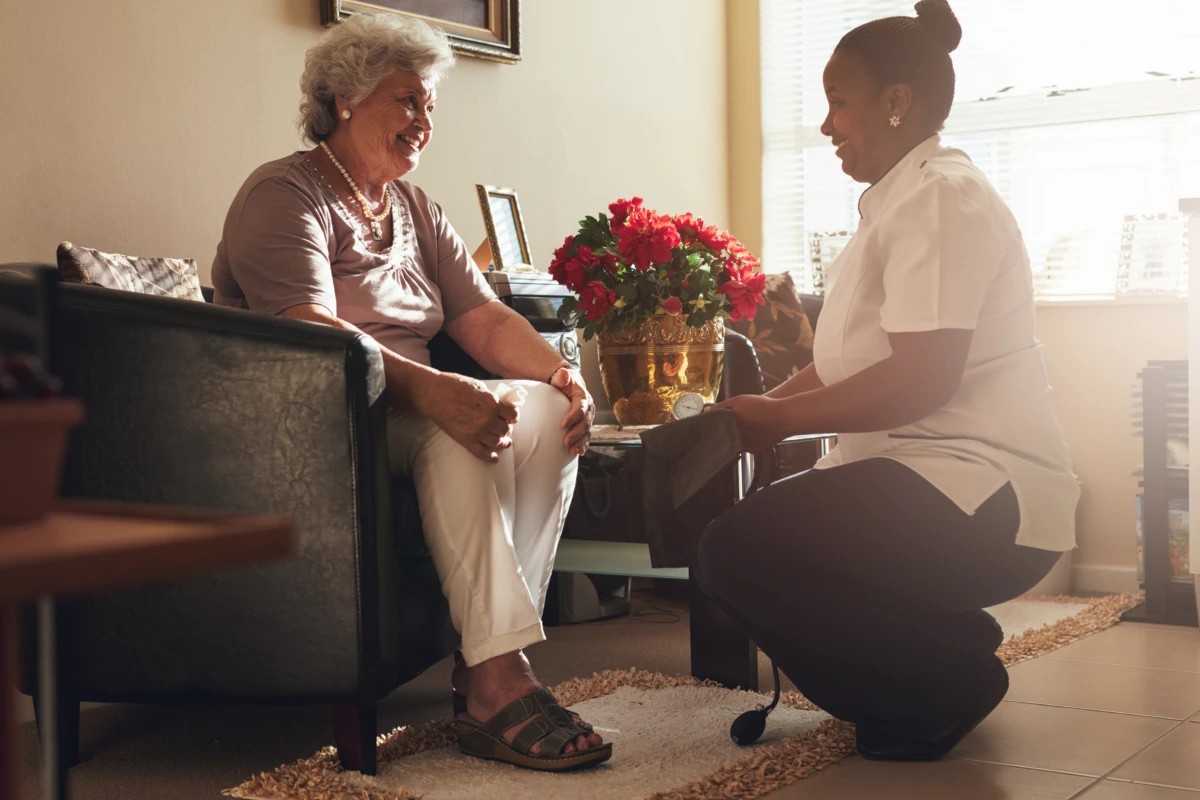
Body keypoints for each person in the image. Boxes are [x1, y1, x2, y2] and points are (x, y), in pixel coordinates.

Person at [210, 13, 610, 771]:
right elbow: (312, 333)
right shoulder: (283, 194)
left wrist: (561, 376)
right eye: (407, 101)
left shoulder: (416, 208)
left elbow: (482, 316)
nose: (424, 122)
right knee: (456, 430)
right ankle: (497, 682)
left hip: (409, 395)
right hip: (317, 416)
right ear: (345, 98)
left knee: (549, 415)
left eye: (430, 106)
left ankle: (491, 659)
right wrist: (438, 394)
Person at [696, 0, 1078, 761]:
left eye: (840, 103)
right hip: (932, 479)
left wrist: (772, 423)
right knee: (746, 540)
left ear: (896, 103)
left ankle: (943, 679)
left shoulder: (940, 197)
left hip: (982, 491)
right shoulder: (899, 201)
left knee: (738, 551)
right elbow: (848, 365)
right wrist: (762, 407)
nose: (828, 124)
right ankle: (949, 640)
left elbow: (922, 381)